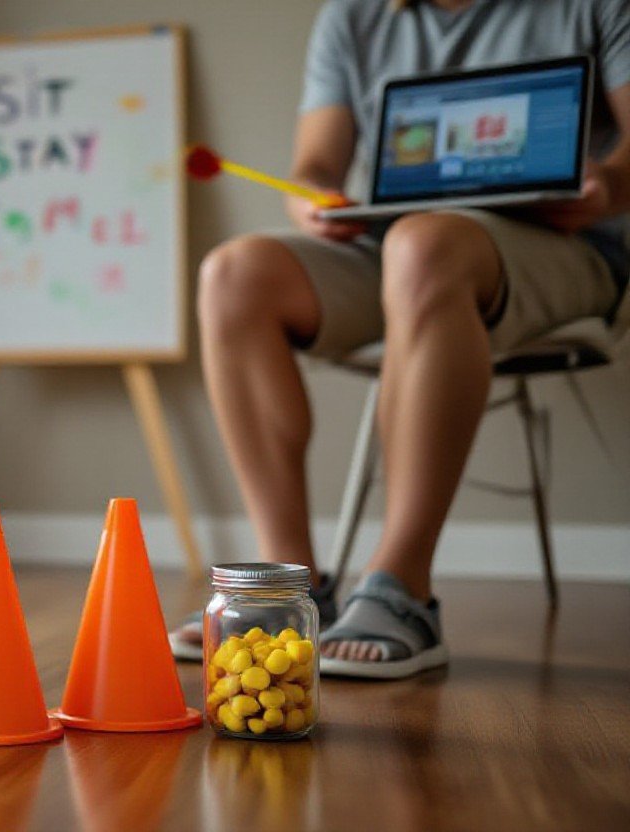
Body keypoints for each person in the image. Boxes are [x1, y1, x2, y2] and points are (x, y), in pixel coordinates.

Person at [171, 0, 630, 679]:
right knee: (233, 275)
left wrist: (606, 187)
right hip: (395, 246)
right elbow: (315, 165)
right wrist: (313, 199)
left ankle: (403, 587)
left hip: (563, 241)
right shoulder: (353, 16)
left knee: (423, 247)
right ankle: (290, 587)